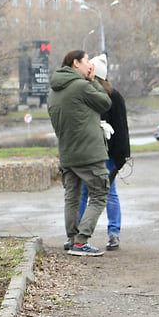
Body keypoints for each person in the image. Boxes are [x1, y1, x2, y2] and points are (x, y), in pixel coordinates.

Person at [47, 50, 111, 257]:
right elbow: (105, 103)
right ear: (75, 63)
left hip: (67, 153)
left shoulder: (54, 90)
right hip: (88, 153)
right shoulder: (82, 86)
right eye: (86, 61)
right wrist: (93, 81)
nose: (89, 66)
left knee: (72, 197)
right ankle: (82, 241)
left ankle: (72, 238)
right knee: (100, 194)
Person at [78, 54, 129, 250]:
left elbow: (120, 129)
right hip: (107, 155)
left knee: (85, 193)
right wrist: (121, 157)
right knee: (109, 193)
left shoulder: (91, 95)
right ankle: (113, 233)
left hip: (92, 154)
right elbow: (122, 130)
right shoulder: (113, 95)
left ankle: (79, 235)